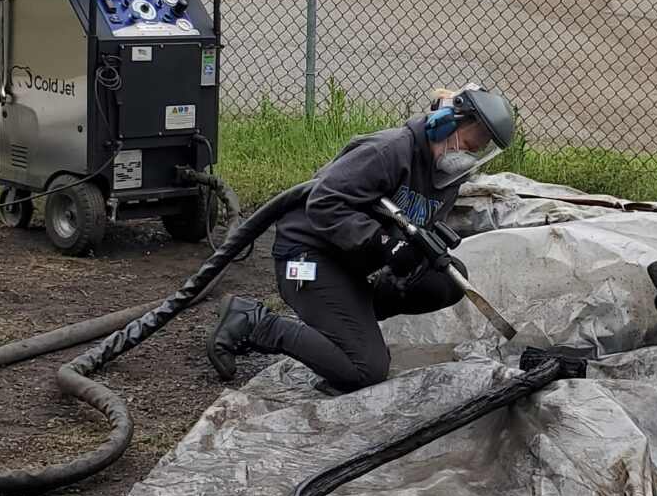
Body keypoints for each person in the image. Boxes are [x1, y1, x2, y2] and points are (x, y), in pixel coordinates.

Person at [206, 83, 515, 393]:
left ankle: (348, 326)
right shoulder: (390, 150)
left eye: (478, 153)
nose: (467, 160)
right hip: (308, 254)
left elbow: (410, 226)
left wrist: (411, 256)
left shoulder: (448, 178)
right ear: (444, 124)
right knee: (365, 371)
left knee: (447, 279)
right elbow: (323, 203)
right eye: (468, 147)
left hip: (354, 262)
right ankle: (254, 323)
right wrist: (385, 244)